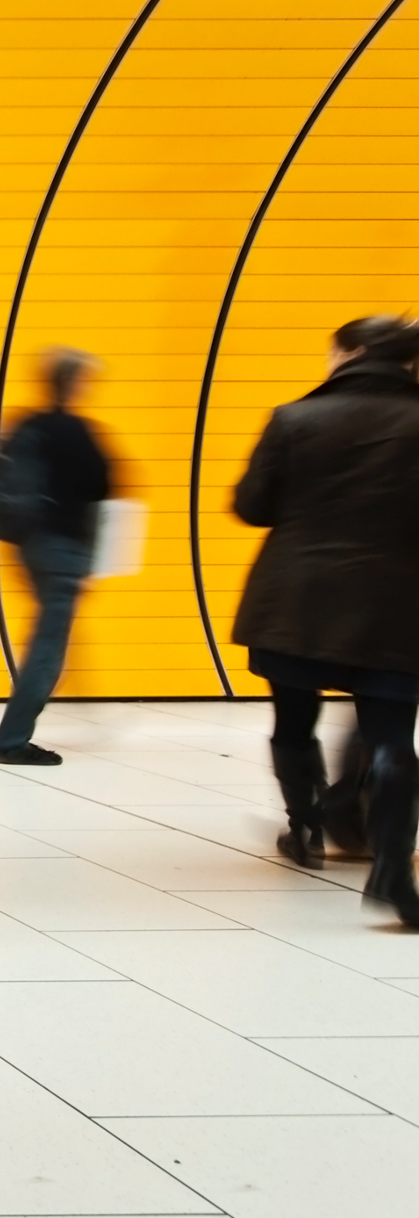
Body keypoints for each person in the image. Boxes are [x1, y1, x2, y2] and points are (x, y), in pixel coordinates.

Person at [231, 314, 419, 918]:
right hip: (397, 603)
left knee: (294, 718)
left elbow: (253, 506)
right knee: (392, 737)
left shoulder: (295, 417)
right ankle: (391, 868)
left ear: (351, 353)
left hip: (298, 600)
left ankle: (306, 830)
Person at [0, 347, 114, 765]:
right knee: (47, 648)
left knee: (49, 639)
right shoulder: (77, 432)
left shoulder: (27, 426)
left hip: (31, 547)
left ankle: (18, 732)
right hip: (63, 550)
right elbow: (103, 488)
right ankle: (12, 742)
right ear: (74, 382)